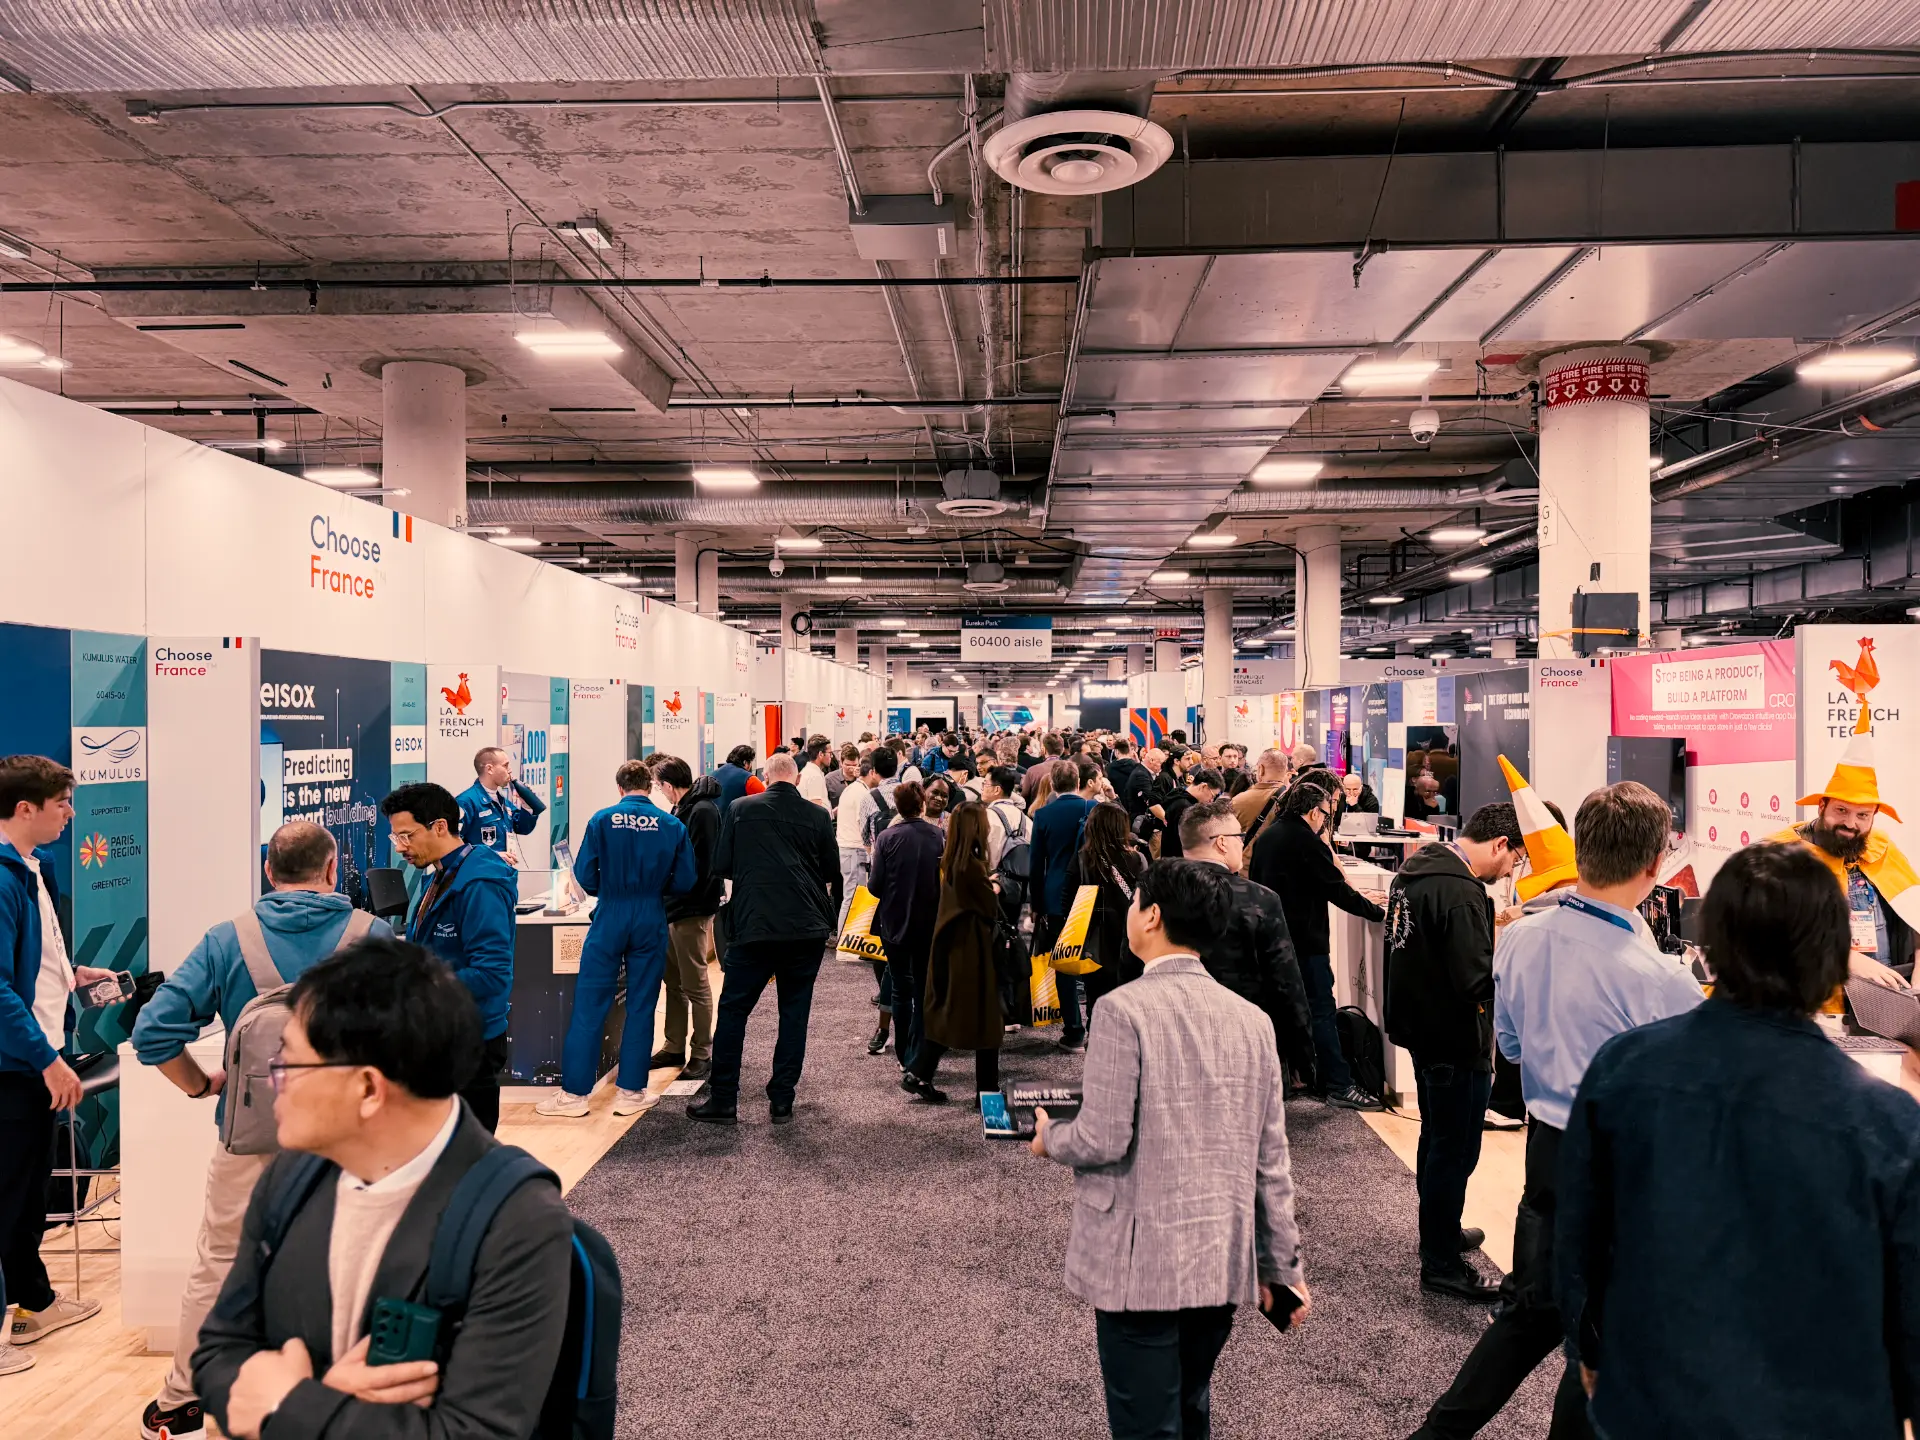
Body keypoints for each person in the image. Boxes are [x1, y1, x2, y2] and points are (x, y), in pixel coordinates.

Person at [1556, 840, 1920, 1438]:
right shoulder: (1887, 1123)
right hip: (1826, 1415)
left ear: (1711, 945)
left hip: (1655, 1402)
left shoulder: (1622, 1069)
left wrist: (1590, 1354)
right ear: (1833, 957)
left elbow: (1582, 1241)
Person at [1409, 782, 1702, 1440]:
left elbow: (1510, 1047)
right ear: (1655, 864)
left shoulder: (1520, 938)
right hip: (1623, 1168)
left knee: (1534, 1310)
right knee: (1605, 1327)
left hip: (1548, 1152)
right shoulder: (1663, 980)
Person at [191, 938, 574, 1440]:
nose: (270, 1081)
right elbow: (216, 1354)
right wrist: (327, 1396)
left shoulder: (518, 1221)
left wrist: (291, 1404)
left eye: (289, 1064)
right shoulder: (292, 1178)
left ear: (369, 1089)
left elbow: (478, 1431)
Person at [1030, 859, 1308, 1439]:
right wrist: (1281, 1265)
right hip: (1220, 1256)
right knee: (1189, 1405)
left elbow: (1101, 1138)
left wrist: (1050, 1137)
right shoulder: (1253, 1021)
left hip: (1141, 1265)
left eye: (1136, 903)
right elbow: (1271, 1162)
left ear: (1152, 915)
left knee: (1147, 1422)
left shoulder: (1121, 1010)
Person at [132, 822, 391, 1440]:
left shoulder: (229, 938)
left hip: (250, 1134)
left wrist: (201, 1086)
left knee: (220, 1263)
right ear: (332, 870)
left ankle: (181, 1401)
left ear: (270, 873)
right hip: (349, 1140)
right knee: (359, 1261)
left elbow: (152, 1033)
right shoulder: (372, 936)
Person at [1382, 802, 1524, 1302]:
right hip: (1454, 1038)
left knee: (1438, 1142)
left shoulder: (1418, 871)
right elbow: (1474, 981)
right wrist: (1517, 962)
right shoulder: (1461, 892)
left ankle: (1440, 1233)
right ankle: (1441, 1262)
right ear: (1500, 843)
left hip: (1424, 1031)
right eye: (1515, 859)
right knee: (1455, 1150)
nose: (1510, 870)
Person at [0, 755, 108, 1372]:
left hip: (35, 1057)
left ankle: (33, 1303)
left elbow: (29, 960)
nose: (70, 814)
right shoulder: (1, 877)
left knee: (28, 1193)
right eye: (63, 803)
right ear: (26, 808)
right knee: (7, 1195)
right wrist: (46, 1059)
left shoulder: (31, 868)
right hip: (16, 1067)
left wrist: (71, 976)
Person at [688, 753, 842, 1124]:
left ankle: (724, 1099)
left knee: (733, 1011)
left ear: (766, 778)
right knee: (794, 1013)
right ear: (797, 780)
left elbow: (722, 864)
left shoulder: (740, 809)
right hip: (805, 926)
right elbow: (830, 870)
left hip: (754, 924)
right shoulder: (819, 815)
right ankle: (782, 1099)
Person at [537, 760, 695, 1119]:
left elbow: (584, 875)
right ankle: (631, 1092)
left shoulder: (602, 820)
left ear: (620, 787)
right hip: (650, 915)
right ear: (650, 786)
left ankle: (574, 1096)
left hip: (610, 913)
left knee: (589, 1003)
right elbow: (686, 880)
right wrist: (654, 889)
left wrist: (609, 889)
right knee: (642, 1004)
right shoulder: (672, 824)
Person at [381, 782, 519, 1131]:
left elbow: (491, 974)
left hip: (469, 1039)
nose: (401, 847)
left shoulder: (478, 883)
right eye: (396, 837)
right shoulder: (444, 873)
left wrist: (418, 985)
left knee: (467, 1150)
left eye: (407, 836)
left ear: (440, 826)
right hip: (440, 1032)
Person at [1248, 780, 1386, 1110]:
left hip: (1272, 940)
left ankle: (1293, 1077)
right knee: (1321, 1010)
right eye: (1326, 813)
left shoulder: (1268, 837)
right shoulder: (1305, 841)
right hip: (1306, 943)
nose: (1326, 820)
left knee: (1282, 1010)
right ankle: (1339, 1084)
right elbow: (1336, 889)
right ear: (1313, 811)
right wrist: (1378, 911)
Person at [1178, 799, 1317, 1089]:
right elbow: (1286, 982)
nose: (1243, 843)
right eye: (1239, 836)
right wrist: (1303, 1053)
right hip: (1244, 1044)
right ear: (1221, 843)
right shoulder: (1259, 899)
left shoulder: (1151, 895)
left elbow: (1129, 970)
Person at [1769, 730, 1919, 985]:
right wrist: (1844, 958)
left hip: (1882, 994)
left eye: (1862, 815)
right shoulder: (1779, 854)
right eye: (1841, 810)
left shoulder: (1881, 848)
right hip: (1809, 995)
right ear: (1822, 806)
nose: (1850, 824)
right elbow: (1764, 931)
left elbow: (1914, 912)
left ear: (1873, 816)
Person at [903, 802, 1004, 1104]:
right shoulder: (971, 867)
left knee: (951, 1013)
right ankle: (987, 1091)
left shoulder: (951, 862)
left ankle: (920, 1071)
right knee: (986, 1020)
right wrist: (996, 887)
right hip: (973, 953)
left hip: (953, 949)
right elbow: (989, 908)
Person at [869, 782, 946, 1094]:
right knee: (925, 990)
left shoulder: (886, 837)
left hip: (894, 923)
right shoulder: (939, 835)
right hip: (930, 923)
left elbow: (874, 886)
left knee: (900, 988)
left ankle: (902, 1054)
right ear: (922, 804)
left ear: (897, 807)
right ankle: (917, 1056)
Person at [656, 759, 721, 1082]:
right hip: (674, 906)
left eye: (660, 786)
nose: (660, 792)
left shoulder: (702, 811)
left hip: (691, 908)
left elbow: (703, 866)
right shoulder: (684, 808)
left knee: (695, 984)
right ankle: (673, 1045)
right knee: (674, 983)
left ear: (669, 785)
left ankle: (701, 1052)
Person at [1030, 758, 1094, 1051]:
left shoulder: (1043, 815)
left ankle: (1073, 1031)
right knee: (1094, 960)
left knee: (1064, 963)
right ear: (1078, 782)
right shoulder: (1092, 808)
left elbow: (1036, 864)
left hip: (1056, 895)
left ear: (1053, 785)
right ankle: (1097, 1025)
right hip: (1090, 891)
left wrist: (1036, 903)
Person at [1066, 801, 1150, 1016]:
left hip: (1094, 942)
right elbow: (1148, 900)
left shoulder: (1082, 859)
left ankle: (1095, 1031)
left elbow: (1068, 902)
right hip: (1130, 939)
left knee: (1096, 999)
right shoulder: (1137, 859)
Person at [455, 746, 546, 865]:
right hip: (480, 873)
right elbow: (453, 847)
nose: (510, 770)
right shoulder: (466, 802)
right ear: (490, 769)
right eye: (505, 765)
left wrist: (526, 806)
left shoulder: (500, 800)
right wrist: (491, 855)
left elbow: (522, 828)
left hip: (503, 871)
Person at [835, 752, 881, 929]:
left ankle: (846, 938)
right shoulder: (861, 793)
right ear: (871, 772)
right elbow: (863, 826)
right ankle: (844, 940)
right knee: (852, 898)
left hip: (848, 849)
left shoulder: (853, 789)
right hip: (854, 850)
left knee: (851, 897)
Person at [1159, 766, 1221, 846]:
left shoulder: (1178, 795)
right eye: (1213, 796)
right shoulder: (1185, 807)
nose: (1211, 800)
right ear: (1203, 786)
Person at [714, 744, 758, 812]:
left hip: (713, 818)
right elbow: (767, 800)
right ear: (745, 762)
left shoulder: (712, 775)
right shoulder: (749, 779)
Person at [798, 735, 834, 810]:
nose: (832, 756)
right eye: (830, 753)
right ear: (821, 754)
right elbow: (816, 810)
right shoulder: (814, 776)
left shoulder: (810, 772)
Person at [825, 744, 860, 809]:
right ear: (841, 762)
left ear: (859, 762)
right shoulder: (829, 779)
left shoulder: (863, 778)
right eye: (847, 765)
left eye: (855, 765)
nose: (851, 769)